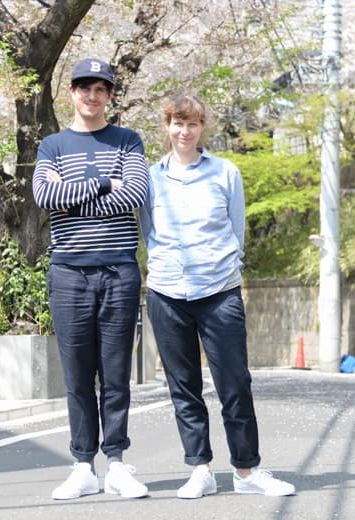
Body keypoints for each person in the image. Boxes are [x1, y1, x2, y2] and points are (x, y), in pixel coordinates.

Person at [140, 93, 296, 499]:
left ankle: (247, 472)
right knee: (184, 387)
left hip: (219, 292)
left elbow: (236, 229)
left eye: (192, 123)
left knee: (235, 384)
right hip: (167, 292)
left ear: (203, 127)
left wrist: (226, 269)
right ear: (167, 126)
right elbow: (148, 232)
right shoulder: (150, 177)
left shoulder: (226, 172)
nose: (184, 131)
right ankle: (200, 470)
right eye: (177, 123)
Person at [32, 58, 149, 501]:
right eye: (85, 88)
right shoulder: (52, 146)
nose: (92, 96)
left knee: (116, 373)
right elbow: (45, 195)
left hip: (119, 270)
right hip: (68, 272)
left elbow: (135, 193)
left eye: (101, 89)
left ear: (110, 96)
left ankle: (116, 463)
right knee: (78, 375)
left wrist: (77, 194)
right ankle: (83, 465)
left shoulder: (127, 140)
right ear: (72, 93)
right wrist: (104, 183)